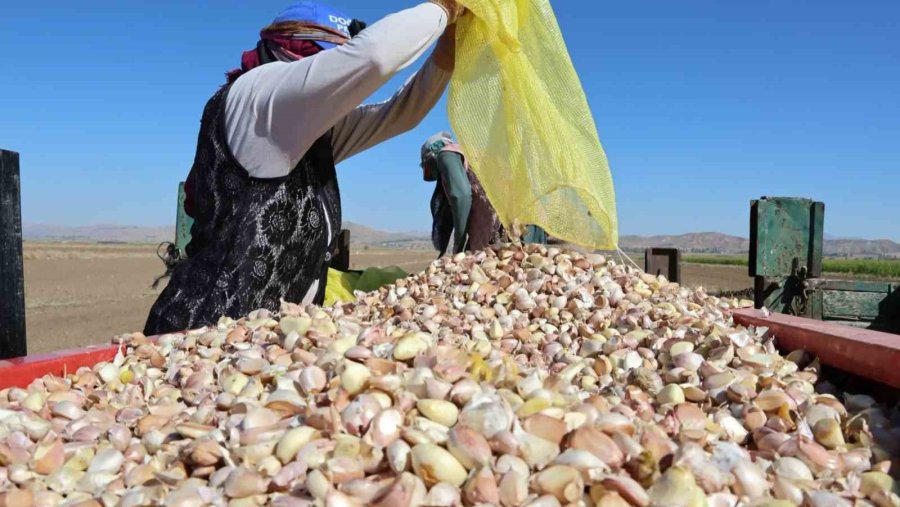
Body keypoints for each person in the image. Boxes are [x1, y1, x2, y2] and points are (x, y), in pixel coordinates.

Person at [144, 1, 464, 336]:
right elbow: (375, 57)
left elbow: (402, 113)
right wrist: (445, 7)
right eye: (329, 62)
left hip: (262, 347)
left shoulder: (311, 134)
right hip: (200, 339)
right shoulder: (257, 98)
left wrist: (448, 47)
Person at [420, 131, 503, 257]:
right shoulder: (470, 154)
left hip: (501, 228)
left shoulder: (446, 154)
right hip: (520, 224)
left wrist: (459, 241)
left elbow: (461, 196)